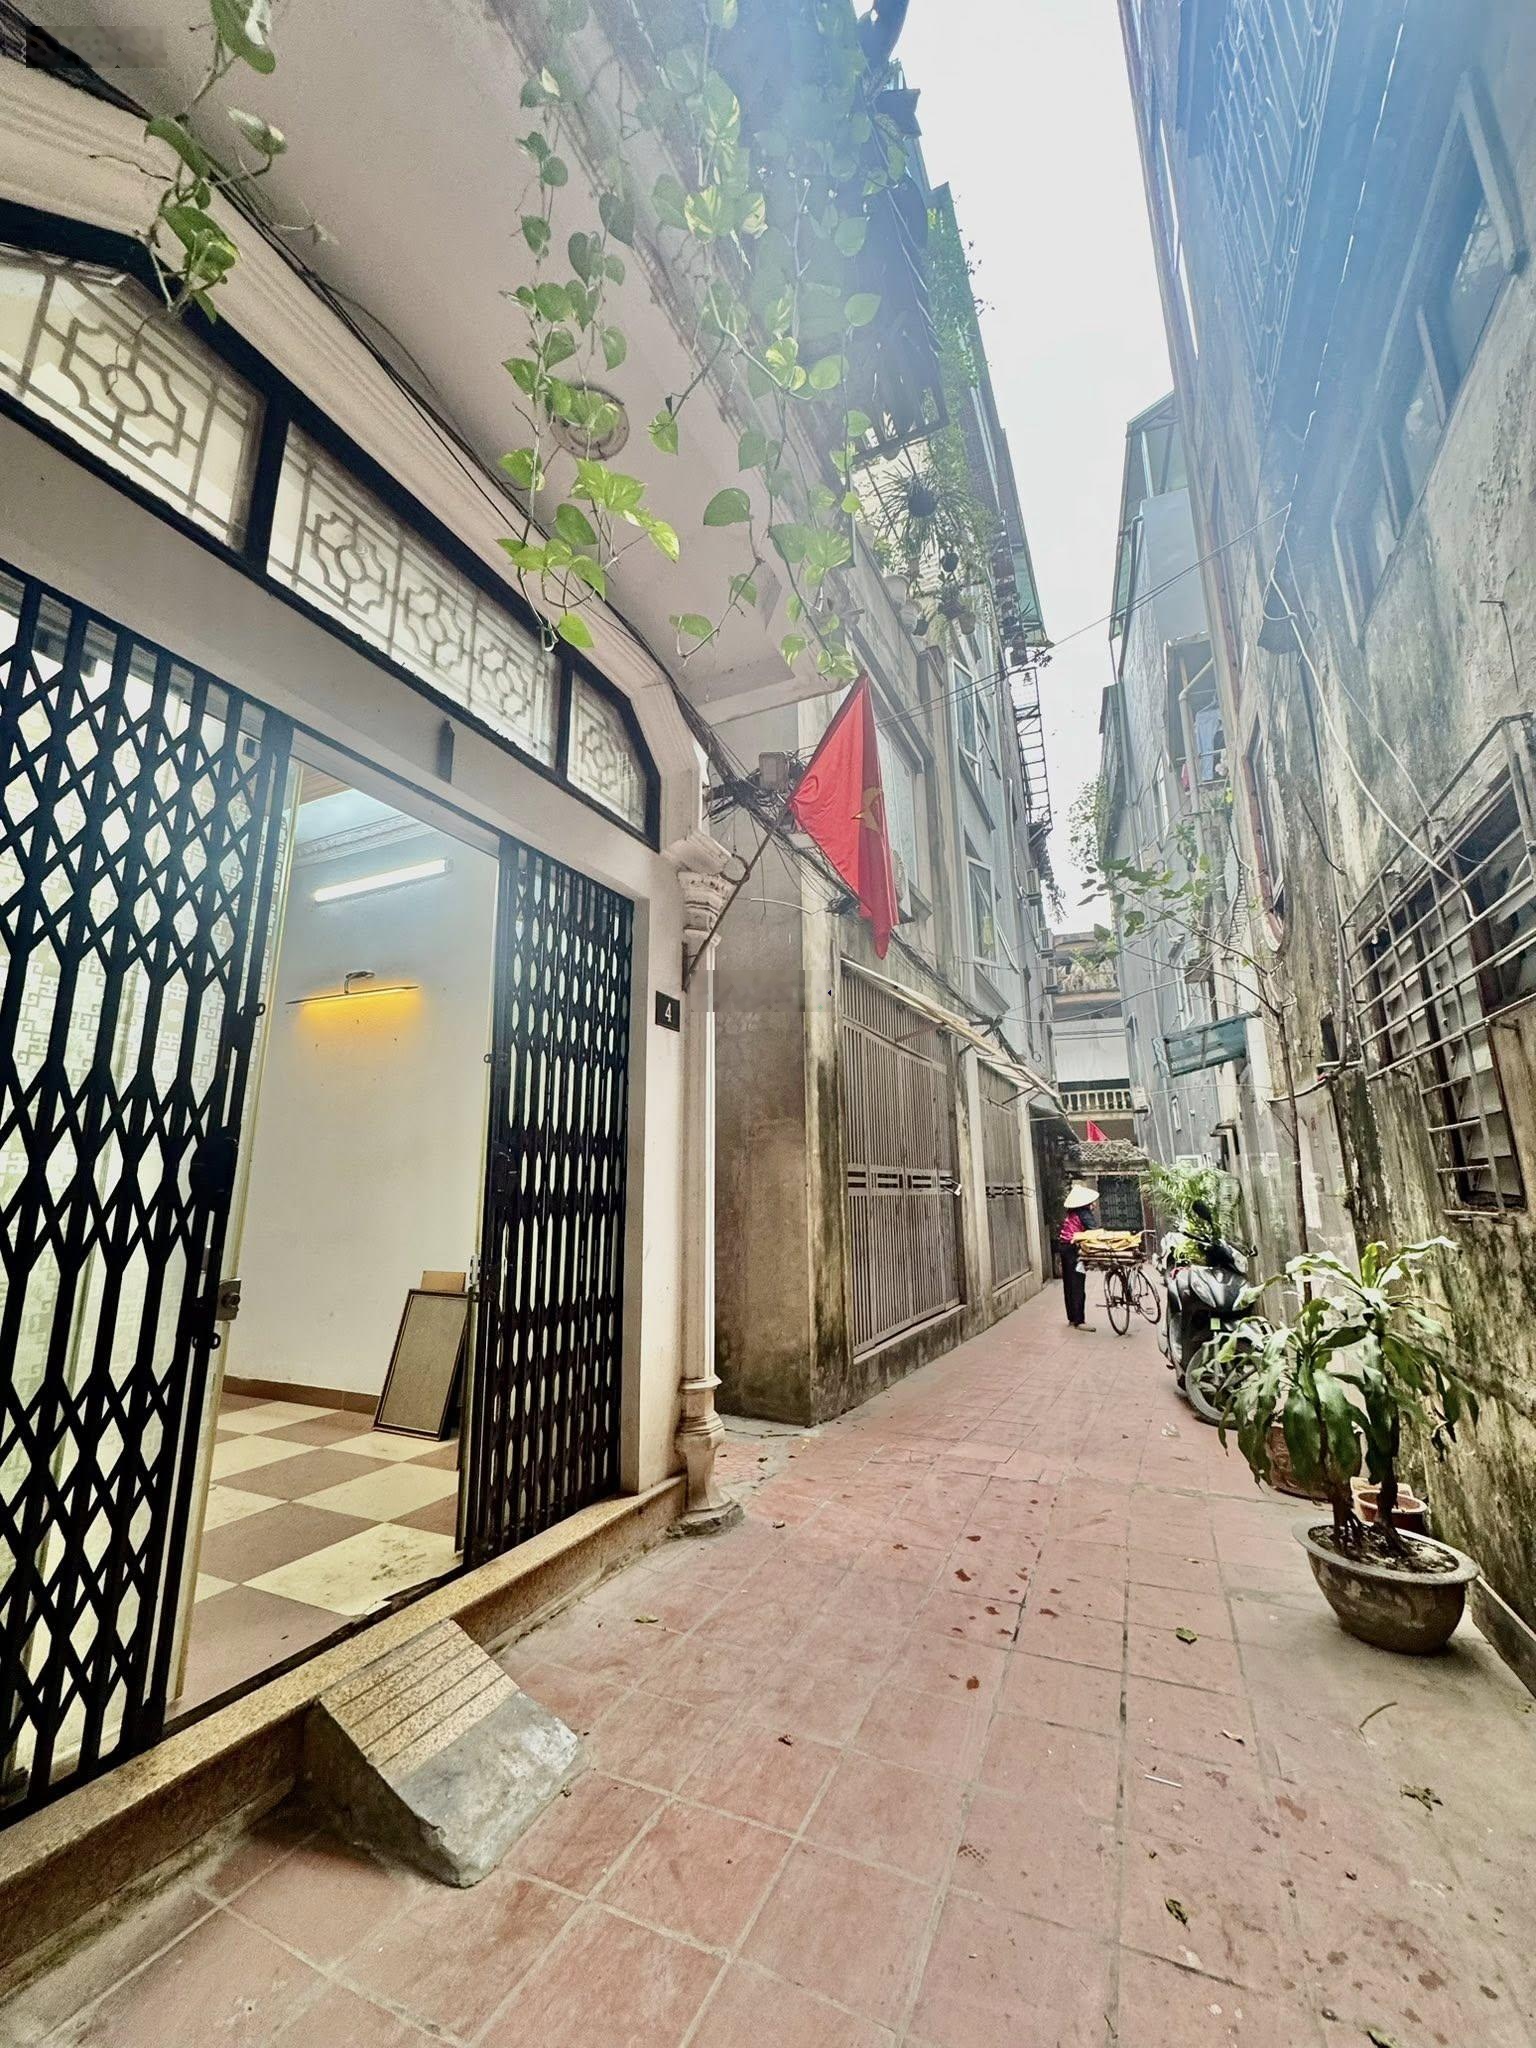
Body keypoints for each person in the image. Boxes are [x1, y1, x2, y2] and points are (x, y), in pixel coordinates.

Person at [1059, 1181, 1099, 1332]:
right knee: (1077, 1283)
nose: (1094, 1204)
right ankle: (1079, 1320)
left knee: (1068, 1283)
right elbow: (1093, 1231)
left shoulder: (1072, 1212)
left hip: (1064, 1247)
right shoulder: (1084, 1213)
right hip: (1073, 1250)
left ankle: (1072, 1317)